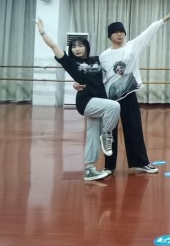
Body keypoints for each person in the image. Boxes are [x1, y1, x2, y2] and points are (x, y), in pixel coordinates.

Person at [35, 18, 120, 181]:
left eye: (80, 45)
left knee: (92, 135)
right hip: (86, 101)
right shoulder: (70, 63)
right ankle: (107, 134)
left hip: (100, 101)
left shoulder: (96, 59)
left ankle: (89, 169)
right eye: (74, 47)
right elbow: (54, 46)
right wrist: (42, 32)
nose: (77, 49)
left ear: (86, 46)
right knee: (114, 107)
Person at [99, 10, 170, 175]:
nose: (119, 35)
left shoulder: (132, 47)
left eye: (122, 32)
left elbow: (148, 33)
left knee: (134, 129)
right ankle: (109, 166)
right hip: (110, 99)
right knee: (109, 132)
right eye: (116, 32)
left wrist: (164, 19)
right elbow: (98, 77)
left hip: (128, 94)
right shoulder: (103, 56)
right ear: (109, 36)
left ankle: (140, 163)